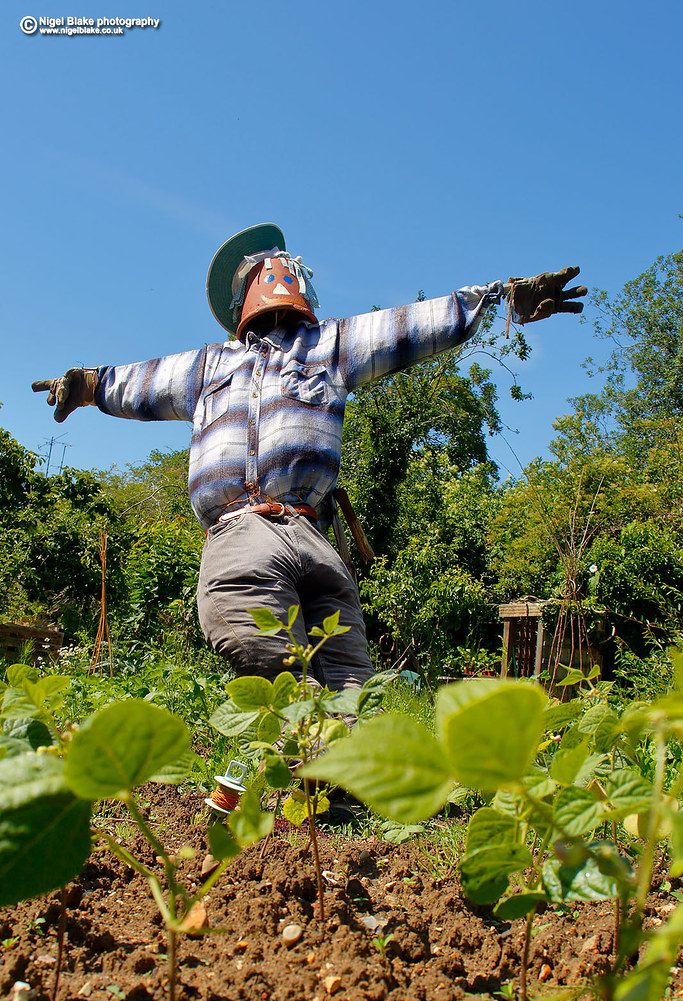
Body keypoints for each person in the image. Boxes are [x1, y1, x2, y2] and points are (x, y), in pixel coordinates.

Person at [33, 223, 586, 690]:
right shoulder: (208, 366)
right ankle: (310, 776)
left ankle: (339, 794)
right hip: (245, 533)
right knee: (271, 656)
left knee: (348, 681)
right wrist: (82, 385)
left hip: (314, 537)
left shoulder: (329, 345)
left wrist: (500, 298)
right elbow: (136, 382)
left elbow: (415, 324)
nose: (276, 275)